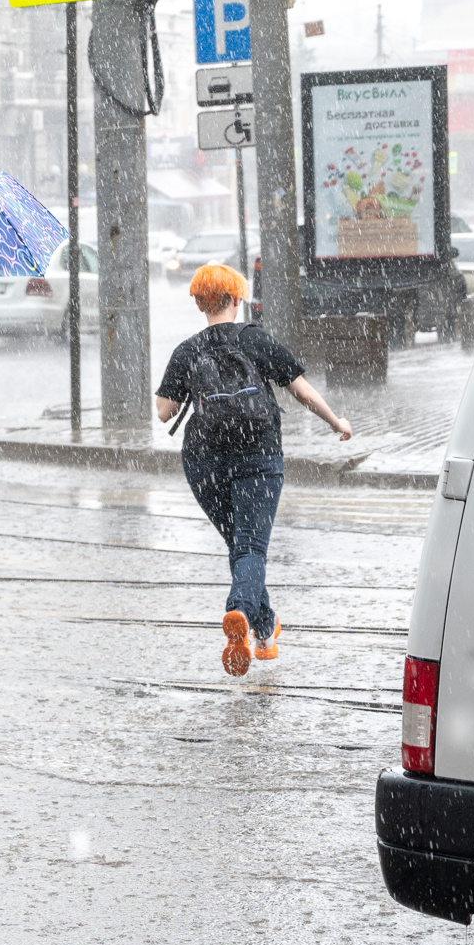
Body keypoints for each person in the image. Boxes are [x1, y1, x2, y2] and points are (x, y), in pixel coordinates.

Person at [156, 264, 352, 676]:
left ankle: (265, 628)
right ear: (236, 299)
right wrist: (337, 422)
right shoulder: (255, 339)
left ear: (198, 303)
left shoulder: (187, 350)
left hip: (203, 462)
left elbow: (163, 412)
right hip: (257, 457)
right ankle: (241, 614)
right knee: (250, 549)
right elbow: (301, 391)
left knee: (240, 546)